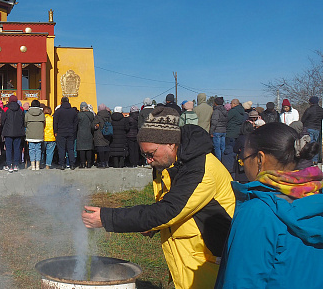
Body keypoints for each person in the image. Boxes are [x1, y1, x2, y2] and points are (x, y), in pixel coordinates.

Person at [82, 106, 235, 289]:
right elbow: (172, 205)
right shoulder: (169, 163)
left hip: (212, 266)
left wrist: (106, 218)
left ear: (171, 144)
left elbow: (169, 210)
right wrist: (152, 226)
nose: (148, 160)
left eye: (150, 154)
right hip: (192, 262)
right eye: (144, 154)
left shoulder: (202, 170)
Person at [215, 122, 323, 288]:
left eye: (243, 158)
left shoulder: (258, 212)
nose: (242, 163)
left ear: (260, 159)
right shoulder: (315, 200)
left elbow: (241, 281)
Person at [53, 96, 78, 170]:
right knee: (70, 149)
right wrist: (73, 131)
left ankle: (62, 165)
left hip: (61, 132)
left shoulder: (58, 111)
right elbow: (75, 123)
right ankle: (72, 164)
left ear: (61, 102)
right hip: (71, 132)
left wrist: (55, 131)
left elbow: (55, 123)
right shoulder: (73, 111)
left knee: (61, 149)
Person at [1, 95, 25, 172]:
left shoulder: (5, 109)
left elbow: (2, 121)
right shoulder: (21, 109)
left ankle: (9, 165)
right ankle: (16, 165)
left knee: (8, 149)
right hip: (18, 132)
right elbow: (23, 120)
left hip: (8, 132)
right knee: (17, 148)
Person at [223, 99, 245, 173]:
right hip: (238, 132)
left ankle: (229, 168)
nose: (230, 105)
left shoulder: (232, 111)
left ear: (234, 104)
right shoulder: (242, 111)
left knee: (229, 151)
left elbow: (226, 119)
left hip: (230, 132)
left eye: (231, 103)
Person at [301, 96, 323, 163]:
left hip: (309, 127)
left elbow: (303, 119)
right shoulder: (321, 110)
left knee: (309, 144)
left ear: (311, 102)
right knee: (315, 143)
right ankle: (315, 159)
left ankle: (309, 159)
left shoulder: (309, 110)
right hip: (317, 129)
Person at [24, 100, 45, 170]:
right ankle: (37, 165)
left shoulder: (27, 113)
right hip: (39, 134)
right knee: (38, 149)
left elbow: (25, 123)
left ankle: (33, 165)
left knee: (31, 149)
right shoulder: (42, 113)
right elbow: (44, 123)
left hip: (30, 134)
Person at [92, 104, 112, 168]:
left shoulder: (98, 116)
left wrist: (94, 127)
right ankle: (106, 163)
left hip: (99, 134)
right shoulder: (108, 116)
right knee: (106, 148)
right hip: (107, 134)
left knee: (101, 149)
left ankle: (102, 163)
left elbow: (93, 126)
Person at [76, 102, 94, 168]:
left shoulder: (79, 115)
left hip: (80, 133)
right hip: (89, 133)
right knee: (89, 149)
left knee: (82, 149)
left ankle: (82, 163)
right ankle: (89, 163)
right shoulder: (91, 114)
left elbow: (76, 124)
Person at [210, 97, 227, 161]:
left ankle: (219, 161)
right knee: (223, 147)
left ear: (215, 103)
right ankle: (224, 161)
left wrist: (211, 131)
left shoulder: (216, 111)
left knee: (217, 148)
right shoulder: (225, 110)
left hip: (217, 131)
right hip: (223, 130)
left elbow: (214, 122)